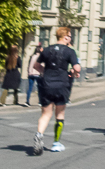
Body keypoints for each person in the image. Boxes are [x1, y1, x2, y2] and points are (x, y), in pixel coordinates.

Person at [32, 28, 81, 156]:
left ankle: (39, 135)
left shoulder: (47, 50)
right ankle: (56, 143)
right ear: (65, 37)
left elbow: (36, 66)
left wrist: (45, 72)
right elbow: (76, 67)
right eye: (69, 36)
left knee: (45, 114)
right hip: (62, 85)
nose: (70, 39)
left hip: (47, 84)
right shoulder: (70, 51)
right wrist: (76, 72)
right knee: (59, 114)